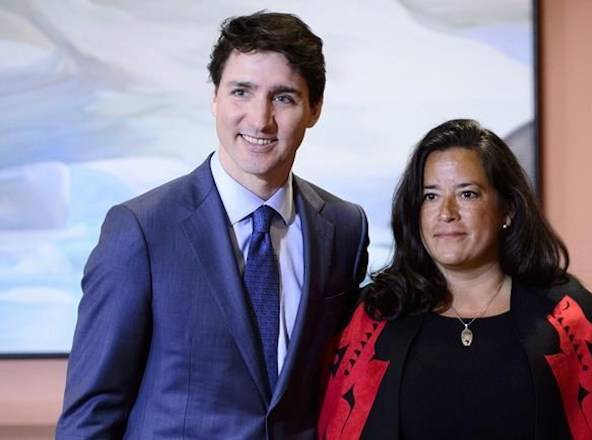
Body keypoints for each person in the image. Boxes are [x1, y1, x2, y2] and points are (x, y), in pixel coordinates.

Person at [56, 11, 369, 439]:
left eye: (283, 98)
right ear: (215, 98)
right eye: (241, 92)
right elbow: (91, 414)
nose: (260, 120)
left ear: (314, 108)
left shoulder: (344, 228)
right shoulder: (141, 231)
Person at [318, 119, 592, 439]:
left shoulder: (569, 318)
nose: (446, 213)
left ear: (507, 209)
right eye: (430, 195)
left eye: (467, 194)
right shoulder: (374, 316)